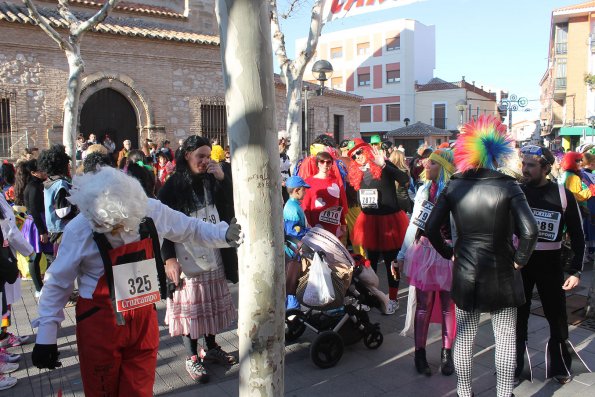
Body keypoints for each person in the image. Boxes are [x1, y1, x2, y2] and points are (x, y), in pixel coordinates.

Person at [30, 167, 243, 396]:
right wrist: (46, 337)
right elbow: (57, 282)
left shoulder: (150, 209)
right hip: (100, 323)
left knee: (139, 390)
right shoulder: (79, 229)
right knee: (102, 390)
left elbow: (189, 228)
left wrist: (223, 235)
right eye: (109, 229)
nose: (118, 233)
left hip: (143, 317)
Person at [425, 115, 538, 397]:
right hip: (503, 271)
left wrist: (449, 252)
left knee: (464, 339)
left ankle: (464, 393)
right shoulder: (509, 185)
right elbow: (530, 231)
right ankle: (502, 394)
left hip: (466, 270)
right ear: (497, 153)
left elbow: (430, 227)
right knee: (505, 338)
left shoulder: (454, 184)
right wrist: (519, 260)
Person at [158, 135, 239, 383]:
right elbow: (162, 225)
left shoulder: (213, 180)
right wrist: (168, 259)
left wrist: (223, 179)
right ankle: (192, 355)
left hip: (213, 251)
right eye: (200, 157)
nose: (204, 161)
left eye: (208, 156)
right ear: (187, 156)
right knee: (192, 307)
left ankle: (212, 346)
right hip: (186, 255)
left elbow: (230, 209)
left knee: (211, 302)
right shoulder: (171, 187)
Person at [516, 145, 585, 385]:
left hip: (551, 264)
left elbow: (578, 235)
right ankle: (516, 365)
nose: (525, 169)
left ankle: (560, 365)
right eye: (523, 164)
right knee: (518, 316)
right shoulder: (517, 192)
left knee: (556, 316)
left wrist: (576, 270)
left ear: (545, 168)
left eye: (531, 165)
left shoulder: (563, 194)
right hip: (520, 265)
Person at [395, 149, 456, 377]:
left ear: (442, 168)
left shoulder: (455, 191)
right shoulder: (422, 191)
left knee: (449, 307)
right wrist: (401, 255)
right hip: (425, 252)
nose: (425, 167)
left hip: (449, 253)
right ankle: (419, 354)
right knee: (423, 305)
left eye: (431, 164)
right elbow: (414, 224)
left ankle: (446, 354)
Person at [348, 138, 410, 314]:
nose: (357, 157)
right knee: (370, 263)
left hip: (389, 220)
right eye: (353, 156)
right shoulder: (356, 173)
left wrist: (384, 165)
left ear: (366, 150)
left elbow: (405, 179)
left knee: (392, 263)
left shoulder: (383, 165)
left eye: (359, 152)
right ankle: (372, 297)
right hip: (369, 222)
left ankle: (393, 298)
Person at [13, 160, 53, 296]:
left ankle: (45, 286)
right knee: (35, 256)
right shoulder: (34, 187)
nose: (44, 172)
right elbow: (35, 211)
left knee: (45, 255)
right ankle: (39, 288)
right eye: (41, 170)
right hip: (36, 224)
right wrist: (42, 231)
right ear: (34, 173)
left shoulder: (37, 185)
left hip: (37, 222)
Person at [38, 145, 76, 253]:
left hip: (54, 229)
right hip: (63, 231)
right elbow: (62, 212)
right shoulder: (60, 184)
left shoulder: (49, 183)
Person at [301, 151, 348, 237]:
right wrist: (309, 226)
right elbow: (305, 206)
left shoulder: (335, 181)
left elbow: (340, 205)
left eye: (328, 162)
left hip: (334, 227)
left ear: (331, 164)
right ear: (317, 163)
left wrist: (343, 223)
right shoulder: (309, 182)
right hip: (316, 226)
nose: (325, 164)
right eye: (322, 161)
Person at [284, 176, 310, 240]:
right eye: (303, 190)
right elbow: (293, 231)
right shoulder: (292, 208)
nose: (305, 192)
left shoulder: (294, 204)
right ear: (297, 191)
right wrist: (309, 232)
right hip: (295, 246)